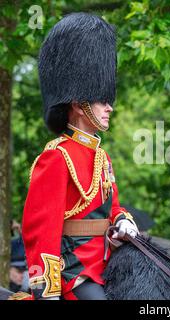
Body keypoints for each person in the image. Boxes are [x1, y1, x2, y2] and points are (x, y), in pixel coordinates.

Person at [21, 13, 139, 300]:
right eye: (102, 100)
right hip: (74, 271)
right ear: (78, 103)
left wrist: (123, 222)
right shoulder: (57, 157)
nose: (110, 107)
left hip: (109, 264)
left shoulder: (103, 157)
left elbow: (113, 209)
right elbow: (41, 230)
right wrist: (47, 290)